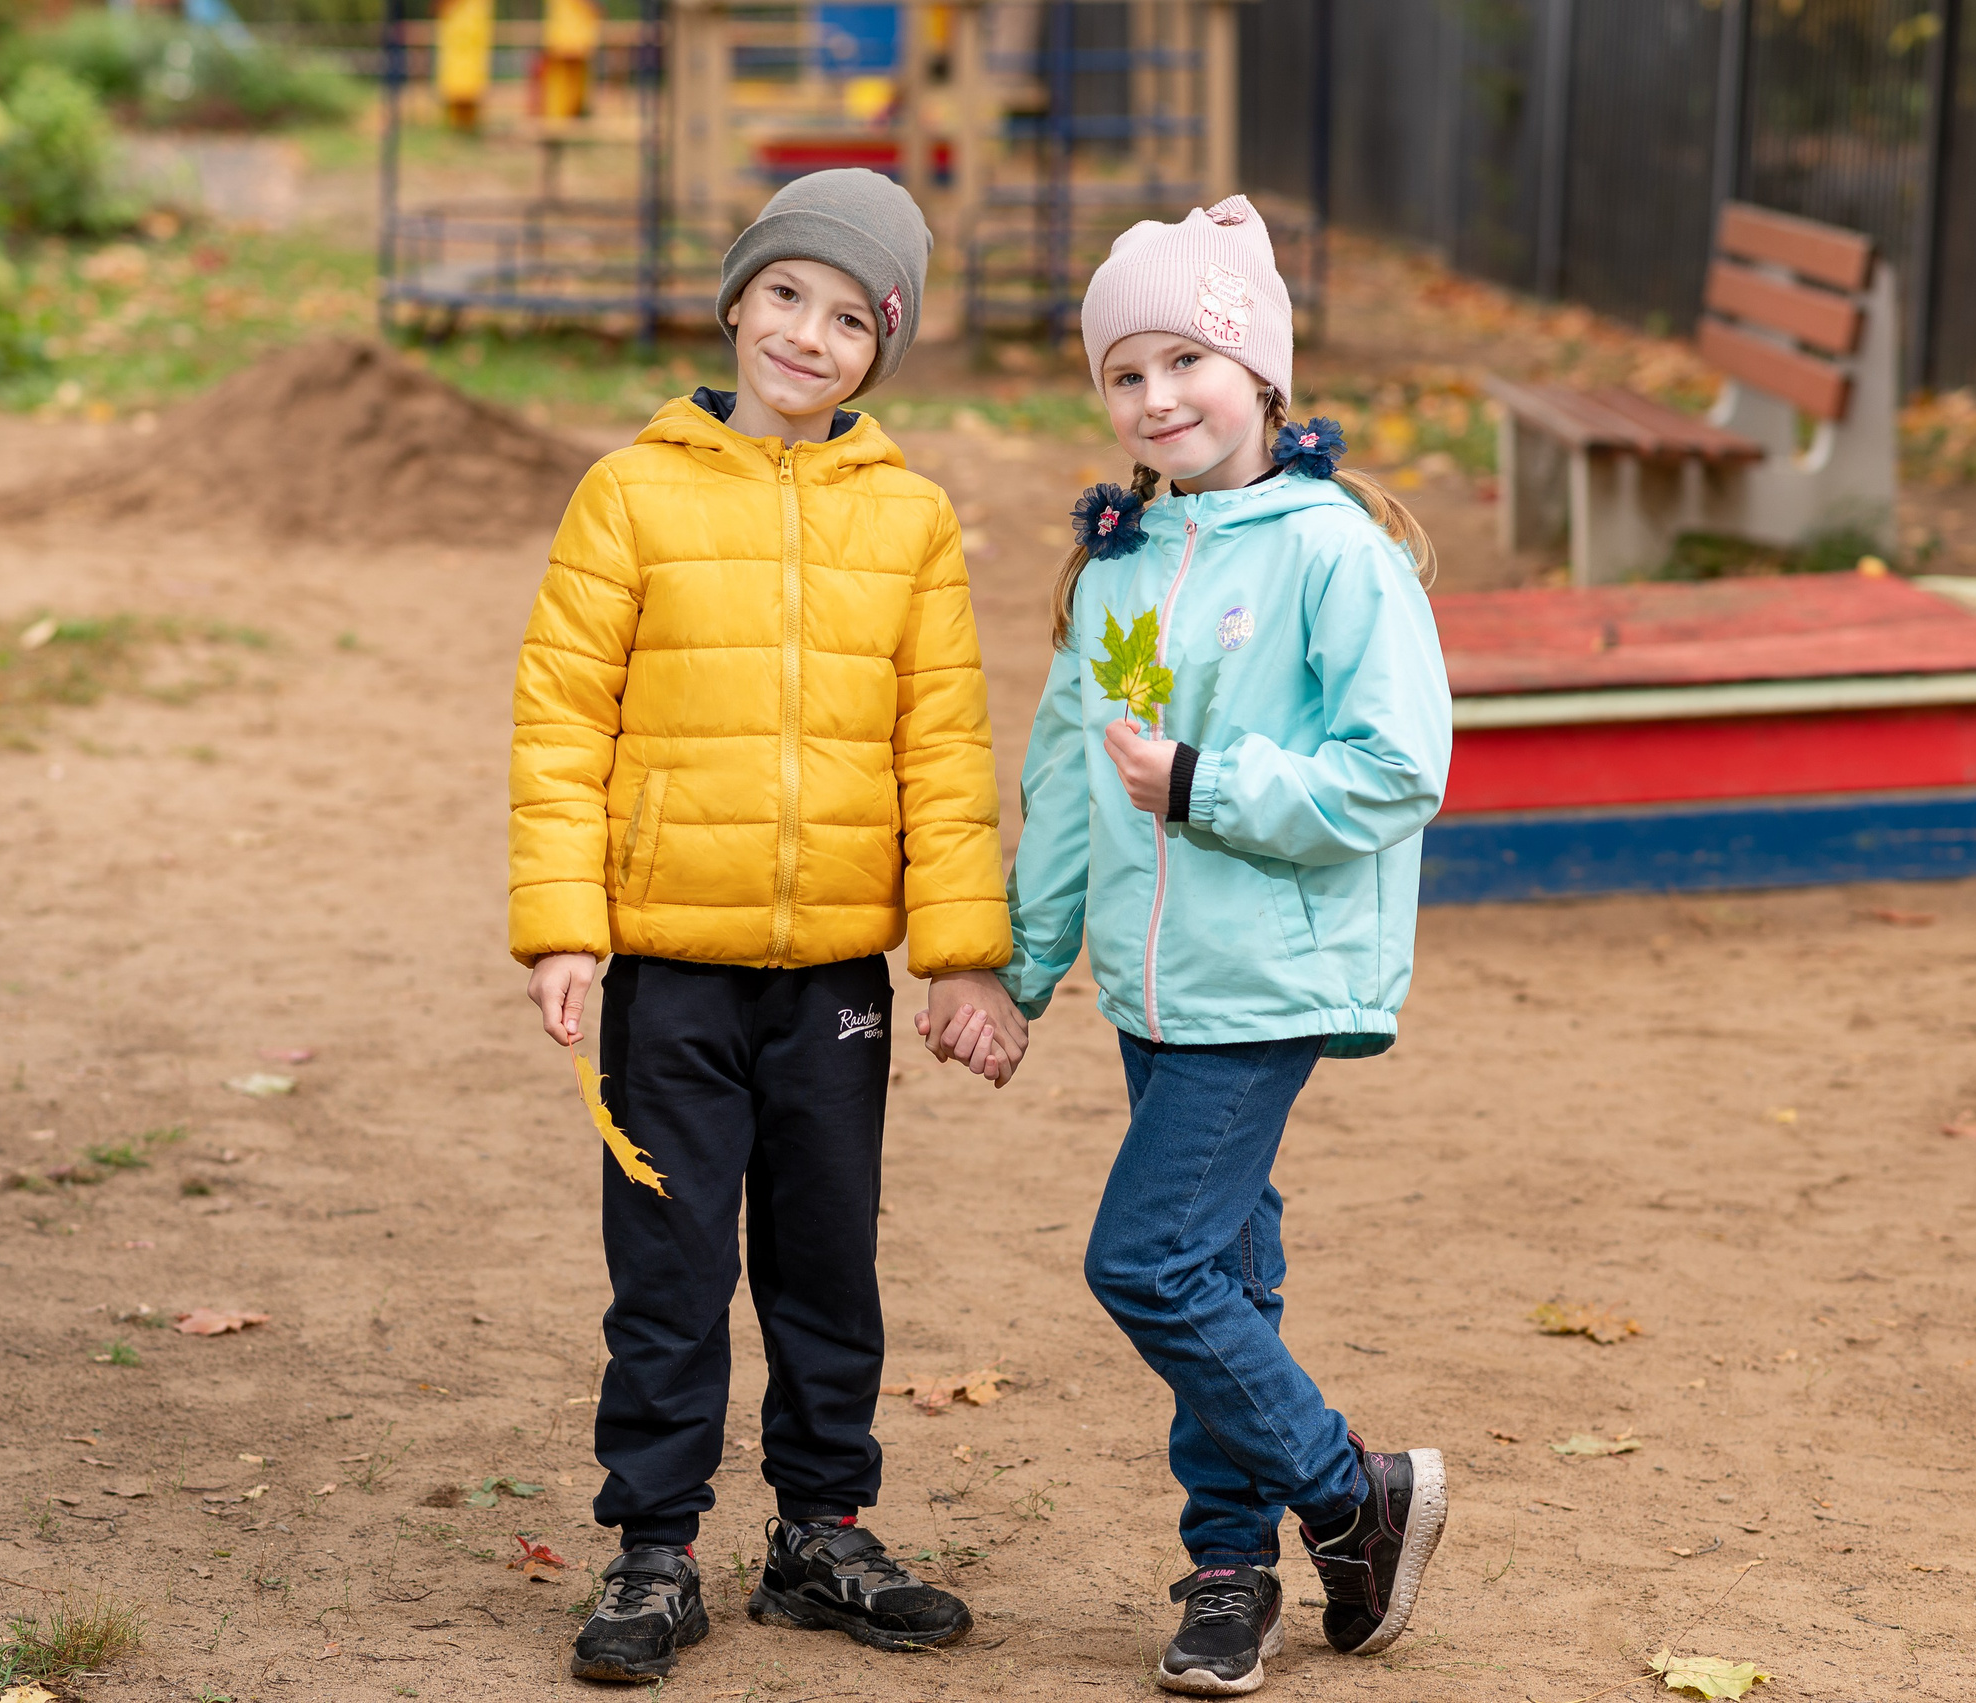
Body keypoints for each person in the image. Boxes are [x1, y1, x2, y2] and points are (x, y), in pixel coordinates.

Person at [509, 168, 1029, 1685]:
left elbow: (943, 745)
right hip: (668, 967)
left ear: (884, 348)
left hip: (834, 988)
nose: (810, 334)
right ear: (736, 299)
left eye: (851, 317)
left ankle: (823, 1534)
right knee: (668, 1267)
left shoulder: (913, 520)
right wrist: (565, 929)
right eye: (788, 294)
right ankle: (655, 1551)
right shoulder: (630, 492)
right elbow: (560, 722)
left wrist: (959, 954)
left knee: (826, 1260)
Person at [936, 195, 1452, 1696]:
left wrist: (1212, 788)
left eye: (1188, 361)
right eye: (1126, 372)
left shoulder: (1333, 555)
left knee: (1146, 1261)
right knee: (1225, 1267)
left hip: (1270, 977)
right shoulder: (1118, 566)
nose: (1158, 397)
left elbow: (1395, 769)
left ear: (1265, 378)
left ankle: (1352, 1499)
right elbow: (1067, 783)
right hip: (1156, 983)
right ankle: (1230, 1573)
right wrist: (1018, 973)